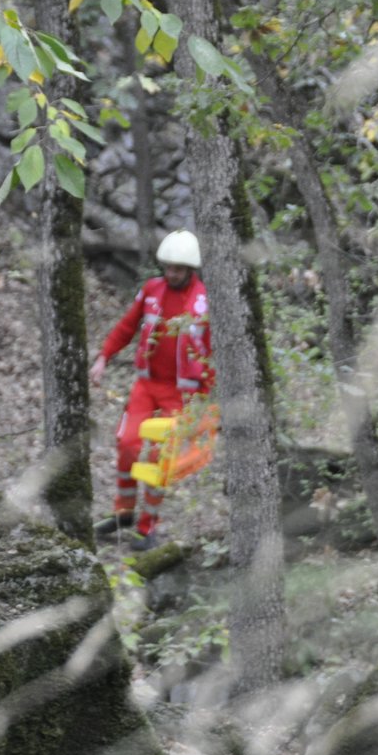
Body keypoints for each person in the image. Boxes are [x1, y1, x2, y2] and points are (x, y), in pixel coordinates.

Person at [88, 230, 213, 549]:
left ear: (191, 270)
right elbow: (127, 326)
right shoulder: (151, 291)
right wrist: (104, 357)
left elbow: (212, 351)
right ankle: (123, 512)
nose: (171, 274)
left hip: (181, 393)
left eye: (178, 269)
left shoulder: (203, 304)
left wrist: (205, 398)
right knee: (128, 444)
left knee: (160, 457)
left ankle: (147, 527)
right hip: (147, 384)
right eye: (168, 267)